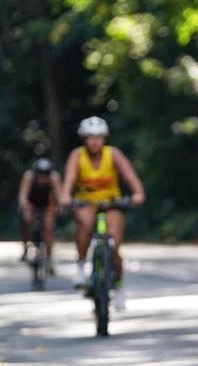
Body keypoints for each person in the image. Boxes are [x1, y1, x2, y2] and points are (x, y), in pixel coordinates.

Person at [59, 117, 145, 310]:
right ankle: (81, 269)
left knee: (114, 245)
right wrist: (65, 196)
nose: (95, 141)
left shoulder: (113, 154)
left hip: (111, 203)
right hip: (86, 203)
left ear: (104, 138)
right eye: (90, 137)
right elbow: (69, 179)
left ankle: (119, 287)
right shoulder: (77, 155)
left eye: (98, 137)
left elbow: (130, 176)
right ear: (84, 139)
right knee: (85, 224)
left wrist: (137, 194)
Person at [17, 158, 61, 269]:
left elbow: (59, 195)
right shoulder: (29, 177)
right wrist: (24, 206)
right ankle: (26, 246)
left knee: (49, 227)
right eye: (40, 175)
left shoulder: (54, 177)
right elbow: (23, 195)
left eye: (45, 175)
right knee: (27, 219)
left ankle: (50, 259)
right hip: (32, 203)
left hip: (47, 205)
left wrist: (59, 207)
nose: (43, 178)